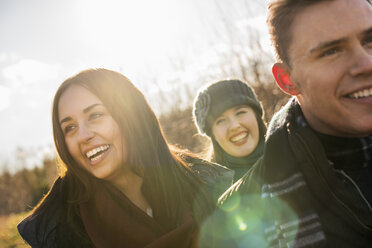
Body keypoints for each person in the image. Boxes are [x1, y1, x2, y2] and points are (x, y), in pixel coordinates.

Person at [17, 68, 233, 247]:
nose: (83, 136)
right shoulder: (60, 231)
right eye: (70, 127)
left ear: (131, 116)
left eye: (95, 115)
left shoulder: (207, 183)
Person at [216, 0, 372, 247]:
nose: (367, 63)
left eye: (369, 41)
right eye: (331, 51)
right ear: (288, 80)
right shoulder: (238, 220)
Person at [193, 79, 266, 182]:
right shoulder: (208, 189)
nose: (234, 126)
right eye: (221, 120)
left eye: (240, 113)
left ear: (256, 116)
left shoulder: (293, 154)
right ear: (213, 134)